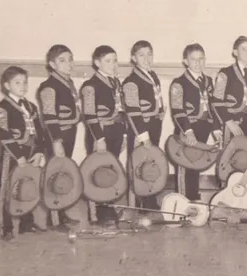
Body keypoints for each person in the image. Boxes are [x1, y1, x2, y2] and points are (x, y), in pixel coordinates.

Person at [0, 66, 47, 240]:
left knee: (27, 186)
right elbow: (4, 136)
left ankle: (26, 223)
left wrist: (39, 152)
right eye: (17, 82)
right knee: (9, 189)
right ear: (7, 85)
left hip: (31, 153)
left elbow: (39, 131)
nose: (22, 86)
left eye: (25, 82)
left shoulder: (31, 106)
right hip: (13, 155)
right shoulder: (2, 108)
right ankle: (6, 227)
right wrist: (19, 156)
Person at [37, 44, 82, 231]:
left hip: (69, 133)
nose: (68, 64)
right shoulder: (49, 87)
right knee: (55, 176)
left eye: (70, 59)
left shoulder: (68, 83)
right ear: (52, 65)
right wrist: (56, 141)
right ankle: (54, 219)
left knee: (63, 175)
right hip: (57, 137)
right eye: (62, 60)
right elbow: (49, 117)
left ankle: (61, 214)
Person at [80, 45, 127, 225]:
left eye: (115, 60)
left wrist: (122, 135)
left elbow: (121, 112)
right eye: (108, 61)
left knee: (111, 170)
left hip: (115, 130)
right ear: (97, 63)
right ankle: (97, 212)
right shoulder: (90, 86)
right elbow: (90, 115)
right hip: (99, 133)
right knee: (97, 172)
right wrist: (99, 138)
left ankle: (108, 206)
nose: (113, 64)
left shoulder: (116, 82)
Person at [170, 43, 222, 200]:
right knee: (185, 164)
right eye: (193, 60)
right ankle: (183, 199)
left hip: (204, 127)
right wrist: (188, 131)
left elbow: (212, 108)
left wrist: (217, 130)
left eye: (201, 59)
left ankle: (193, 196)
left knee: (197, 163)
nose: (198, 63)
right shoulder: (179, 83)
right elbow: (177, 110)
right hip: (188, 128)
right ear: (186, 61)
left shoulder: (208, 81)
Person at [123, 40, 165, 211]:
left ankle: (150, 196)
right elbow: (133, 113)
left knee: (152, 162)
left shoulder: (152, 75)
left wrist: (160, 111)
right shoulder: (131, 81)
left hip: (155, 124)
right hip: (141, 129)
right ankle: (140, 200)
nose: (146, 59)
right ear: (134, 58)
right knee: (140, 163)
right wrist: (143, 136)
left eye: (149, 54)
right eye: (141, 55)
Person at [211, 36, 247, 142]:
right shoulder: (225, 73)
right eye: (244, 49)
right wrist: (229, 122)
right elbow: (216, 101)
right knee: (231, 154)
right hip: (232, 121)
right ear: (235, 52)